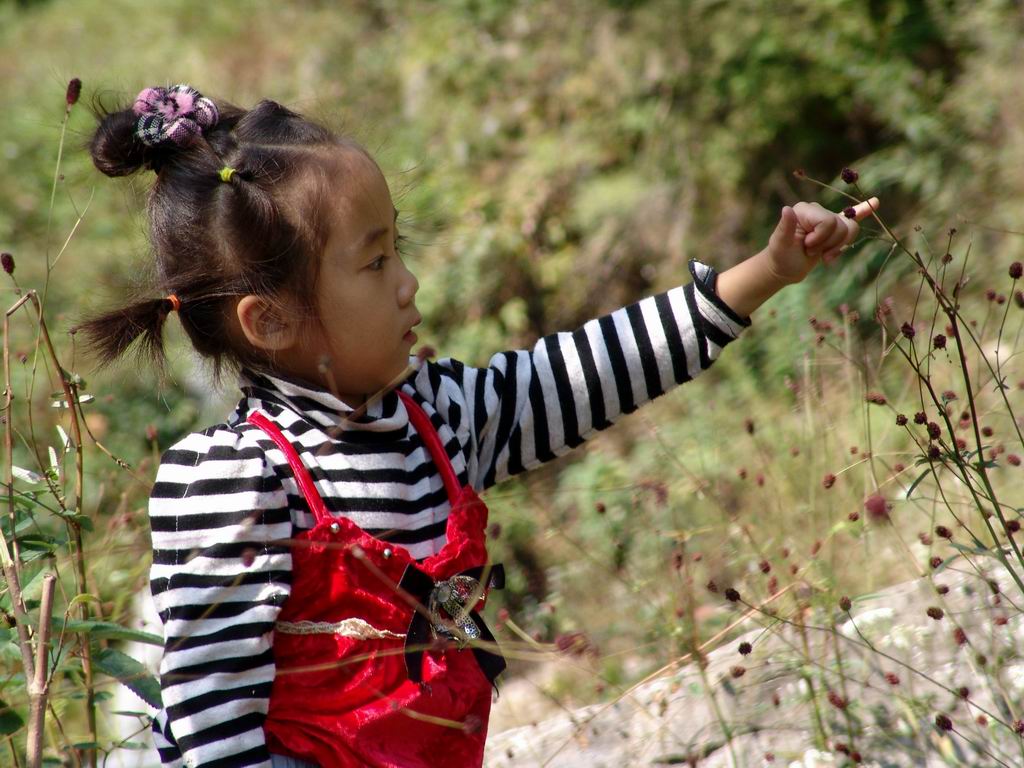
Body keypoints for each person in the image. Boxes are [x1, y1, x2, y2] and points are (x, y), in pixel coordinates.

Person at [82, 84, 878, 768]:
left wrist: (768, 271)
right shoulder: (237, 479)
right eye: (375, 262)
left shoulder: (440, 418)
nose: (409, 282)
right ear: (272, 320)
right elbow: (212, 731)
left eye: (400, 248)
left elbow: (594, 368)